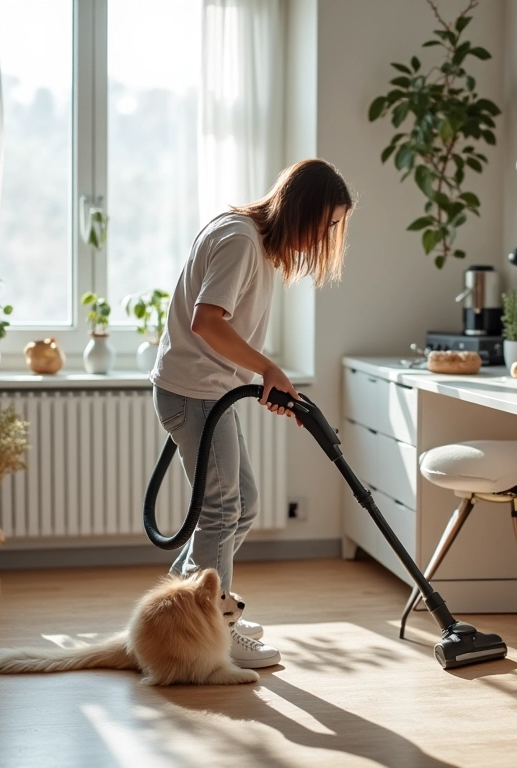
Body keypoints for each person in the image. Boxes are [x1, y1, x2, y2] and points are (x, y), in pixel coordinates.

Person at [149, 158, 353, 669]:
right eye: (327, 222)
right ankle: (214, 626)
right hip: (195, 394)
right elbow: (206, 322)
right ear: (301, 208)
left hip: (209, 392)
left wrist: (262, 377)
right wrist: (267, 369)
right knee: (221, 510)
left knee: (244, 505)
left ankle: (178, 614)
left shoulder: (254, 243)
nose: (327, 235)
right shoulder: (241, 238)